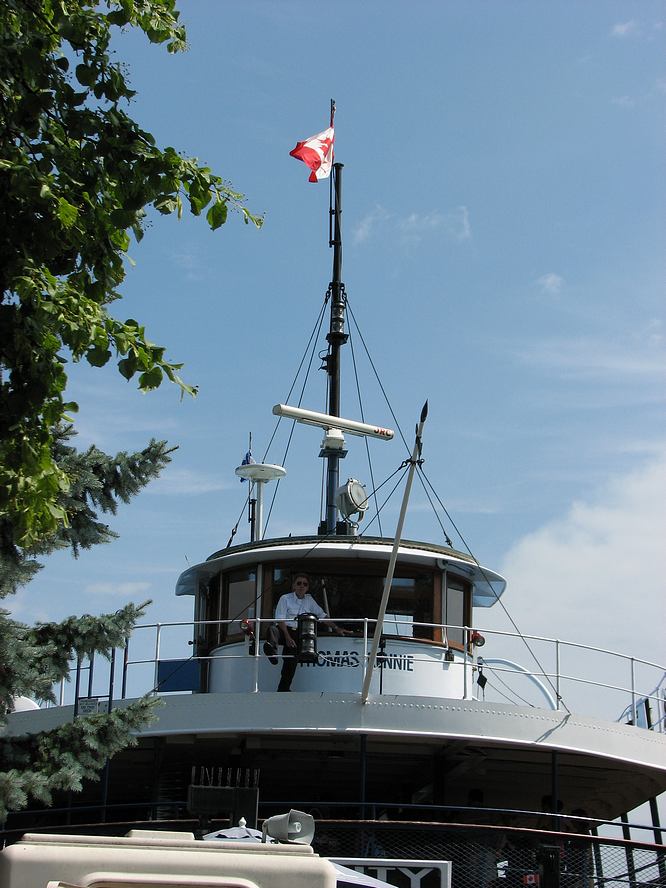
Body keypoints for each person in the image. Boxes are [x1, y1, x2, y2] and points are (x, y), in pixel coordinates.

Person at [263, 573, 352, 692]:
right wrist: (287, 637)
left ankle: (283, 689)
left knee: (291, 661)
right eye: (299, 583)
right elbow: (280, 619)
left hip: (298, 634)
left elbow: (322, 616)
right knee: (272, 629)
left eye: (305, 584)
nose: (302, 586)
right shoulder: (285, 598)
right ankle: (271, 651)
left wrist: (336, 628)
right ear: (294, 586)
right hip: (284, 630)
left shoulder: (309, 600)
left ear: (307, 587)